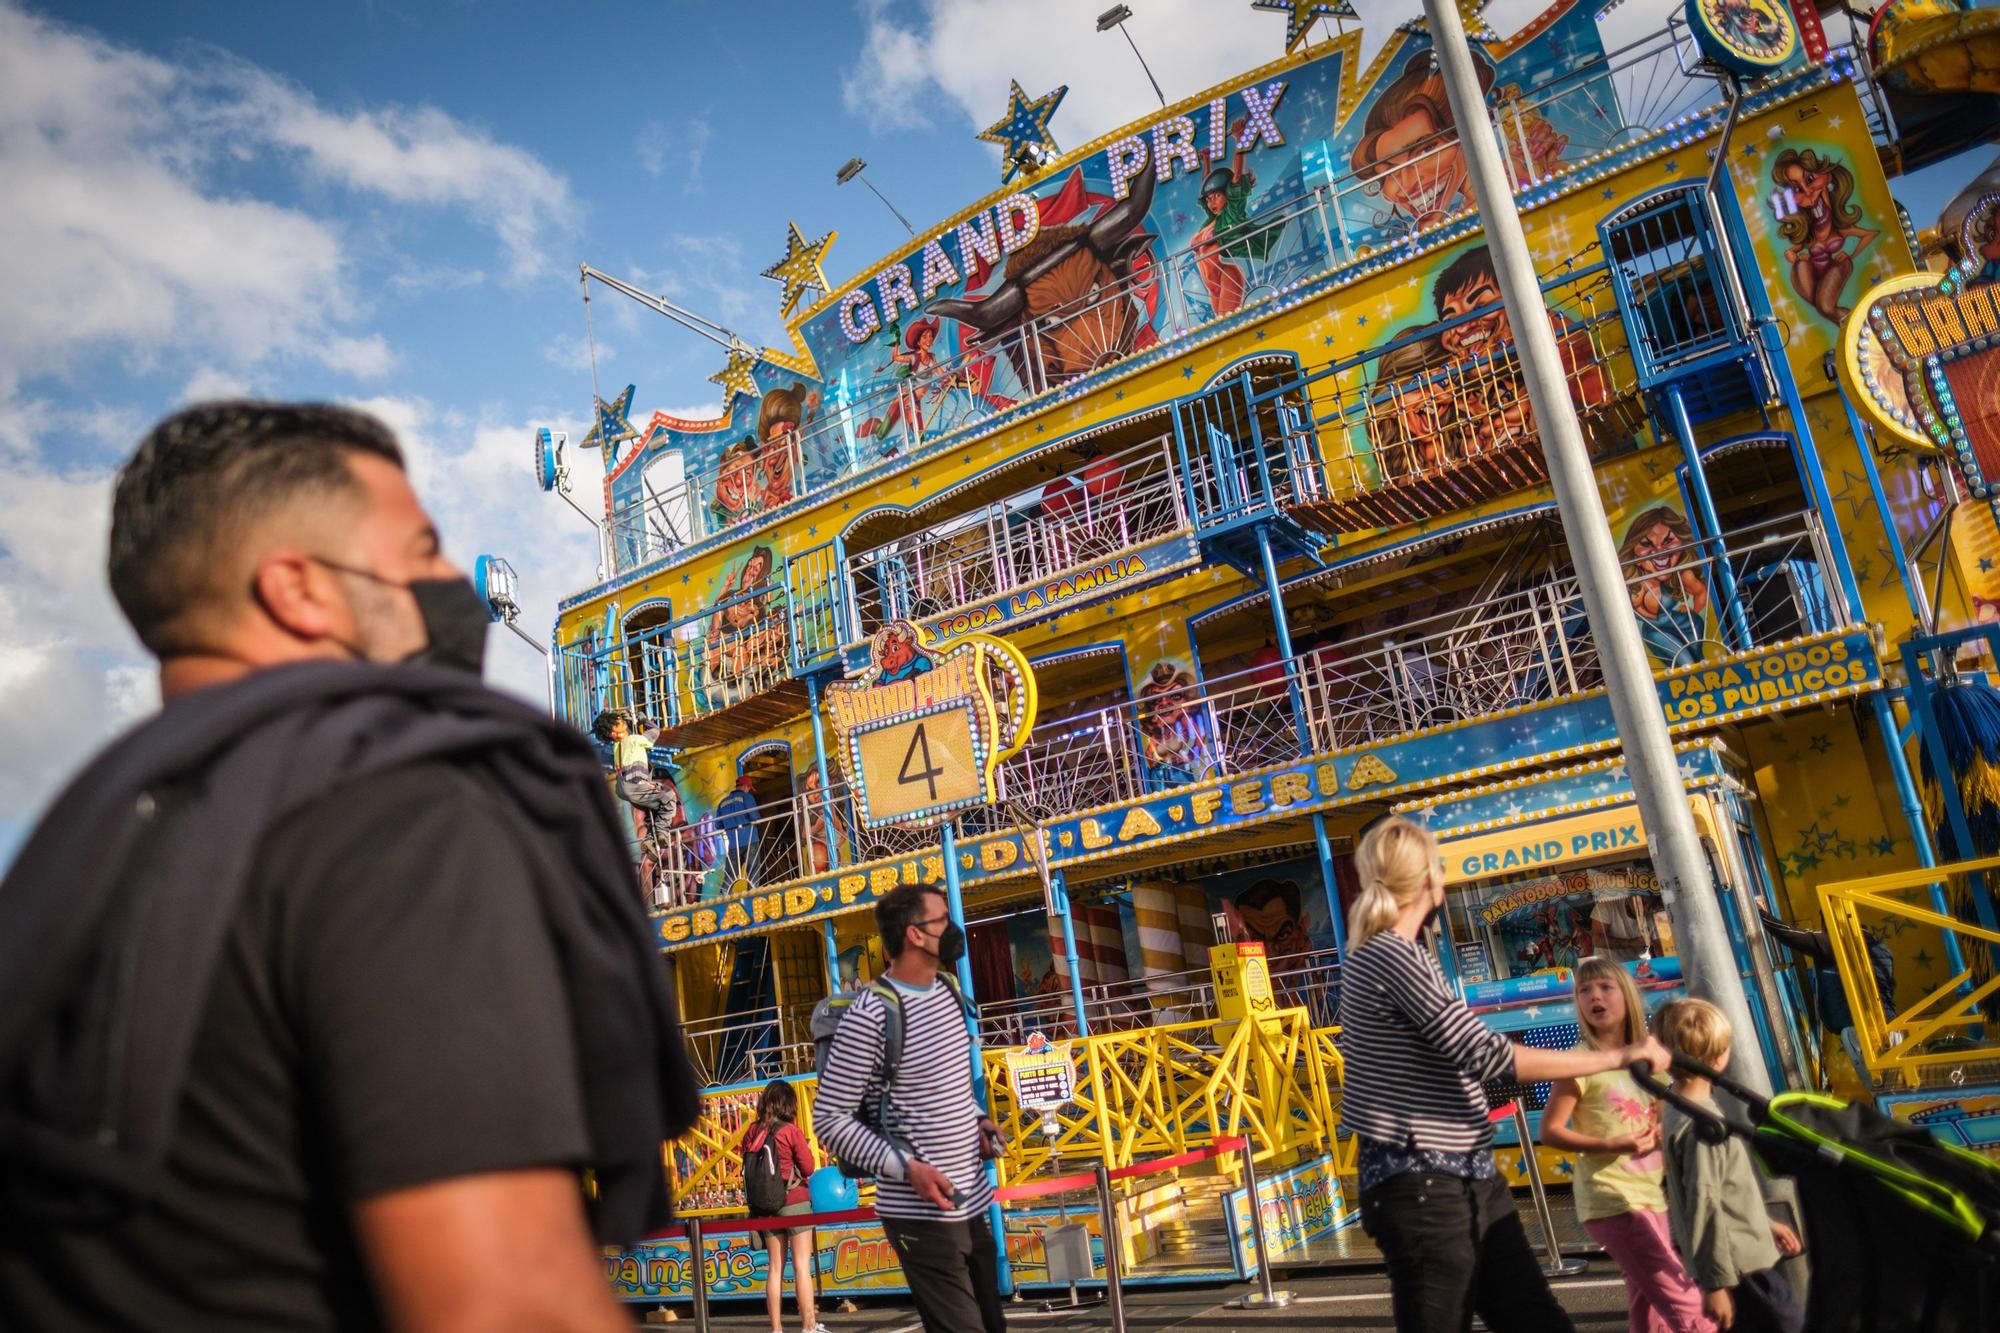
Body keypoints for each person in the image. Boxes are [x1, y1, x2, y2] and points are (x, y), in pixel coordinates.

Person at [0, 402, 700, 1329]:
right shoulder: (394, 808)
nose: (450, 583)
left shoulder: (76, 843)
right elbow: (511, 1304)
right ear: (298, 588)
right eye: (419, 552)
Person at [1337, 816, 1674, 1333]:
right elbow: (1487, 1055)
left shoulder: (1400, 955)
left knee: (1538, 1321)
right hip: (1424, 1182)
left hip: (1466, 1176)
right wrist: (1617, 1057)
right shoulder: (1389, 956)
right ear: (1431, 879)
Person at [814, 884, 1007, 1333]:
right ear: (915, 935)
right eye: (942, 920)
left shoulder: (946, 991)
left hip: (971, 1203)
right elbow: (829, 1118)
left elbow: (950, 1091)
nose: (954, 928)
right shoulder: (872, 1013)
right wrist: (906, 1167)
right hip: (919, 1215)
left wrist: (976, 1123)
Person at [1541, 958, 1714, 1333]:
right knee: (1686, 1304)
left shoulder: (1654, 1058)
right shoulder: (1578, 1062)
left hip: (1652, 1196)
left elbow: (1671, 1125)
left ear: (1628, 995)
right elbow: (1551, 1130)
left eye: (1605, 987)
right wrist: (1613, 1142)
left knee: (1649, 1308)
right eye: (1584, 990)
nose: (1594, 997)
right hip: (1612, 1200)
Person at [1655, 999, 1805, 1333]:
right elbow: (1704, 1203)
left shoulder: (1677, 1108)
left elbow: (1718, 1193)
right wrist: (1715, 1284)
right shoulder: (1704, 1126)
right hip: (1739, 1266)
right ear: (1719, 1057)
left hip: (1736, 1256)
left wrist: (1763, 1222)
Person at [740, 1080, 827, 1333]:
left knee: (775, 1267)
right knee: (801, 1265)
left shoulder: (752, 1132)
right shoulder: (790, 1131)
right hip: (795, 1202)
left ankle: (776, 1329)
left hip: (765, 1205)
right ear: (789, 1103)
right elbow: (809, 1167)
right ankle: (809, 1327)